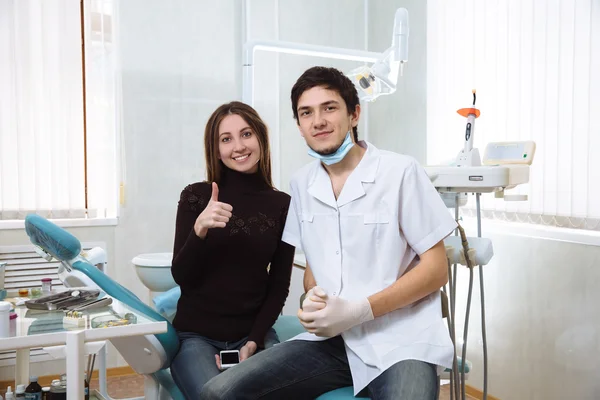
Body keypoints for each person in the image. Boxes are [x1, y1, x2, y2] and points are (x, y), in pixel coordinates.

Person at [199, 66, 458, 400]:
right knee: (218, 393)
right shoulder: (302, 184)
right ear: (299, 125)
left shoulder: (400, 172)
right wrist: (312, 298)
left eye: (329, 108)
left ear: (354, 114)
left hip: (402, 342)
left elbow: (436, 269)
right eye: (307, 113)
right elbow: (314, 269)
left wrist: (360, 310)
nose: (317, 120)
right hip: (333, 342)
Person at [169, 101, 295, 399]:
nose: (238, 146)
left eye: (246, 134)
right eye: (226, 139)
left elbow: (279, 285)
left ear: (261, 138)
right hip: (196, 336)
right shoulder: (196, 196)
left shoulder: (283, 205)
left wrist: (253, 342)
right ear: (215, 149)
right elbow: (181, 277)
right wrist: (199, 229)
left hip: (253, 335)